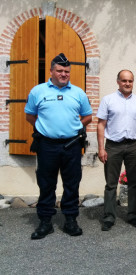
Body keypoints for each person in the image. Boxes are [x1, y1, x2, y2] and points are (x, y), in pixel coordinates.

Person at [25, 53, 92, 239]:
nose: (64, 74)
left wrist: (76, 127)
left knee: (72, 184)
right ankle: (45, 222)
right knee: (46, 184)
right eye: (60, 70)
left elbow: (88, 116)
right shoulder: (38, 91)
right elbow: (30, 115)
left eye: (67, 71)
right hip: (47, 145)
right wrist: (43, 128)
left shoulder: (78, 93)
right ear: (51, 71)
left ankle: (70, 220)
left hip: (71, 145)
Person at [97, 69, 136, 231]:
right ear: (118, 82)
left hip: (134, 145)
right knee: (111, 184)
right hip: (113, 146)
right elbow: (101, 124)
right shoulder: (108, 100)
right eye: (124, 80)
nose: (127, 83)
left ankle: (133, 215)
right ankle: (109, 216)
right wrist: (100, 148)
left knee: (134, 183)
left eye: (130, 81)